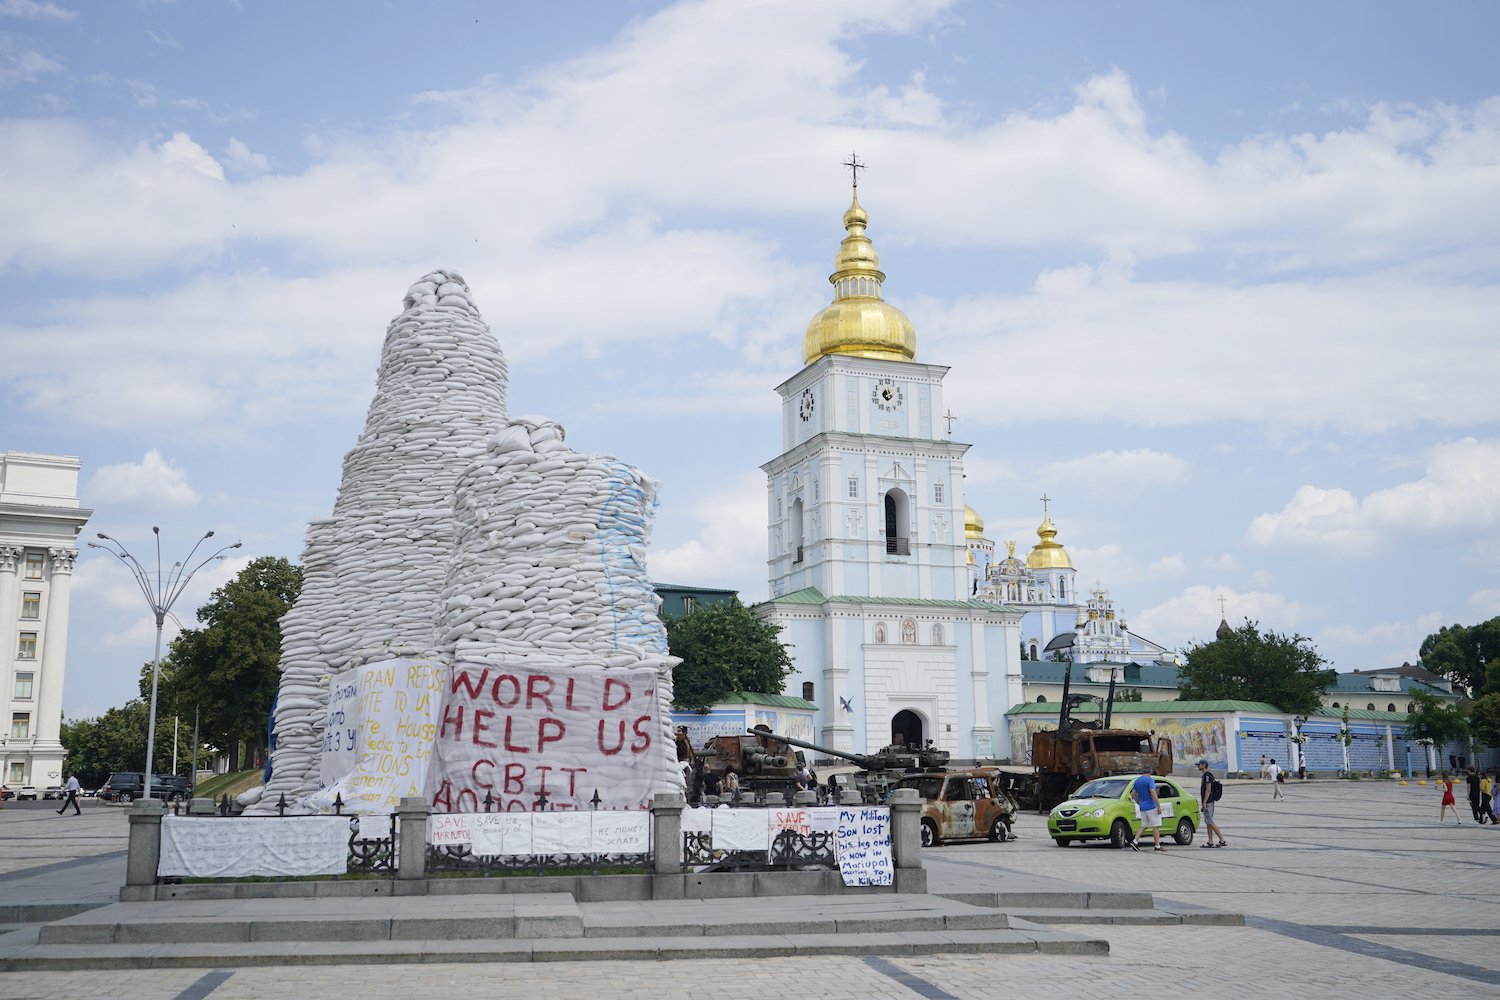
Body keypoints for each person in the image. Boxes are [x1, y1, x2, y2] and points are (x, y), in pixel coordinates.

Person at [1129, 773, 1165, 852]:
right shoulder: (1150, 780)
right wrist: (1158, 806)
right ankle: (1157, 846)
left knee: (1144, 825)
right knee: (1156, 826)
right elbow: (1153, 792)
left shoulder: (1137, 781)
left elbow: (1133, 794)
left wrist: (1139, 802)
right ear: (1150, 773)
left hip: (1142, 807)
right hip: (1151, 806)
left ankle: (1135, 841)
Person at [1196, 759, 1228, 848]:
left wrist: (1204, 802)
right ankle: (1210, 841)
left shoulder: (1207, 776)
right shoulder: (1205, 775)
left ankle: (1222, 839)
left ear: (1204, 765)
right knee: (1208, 822)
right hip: (1208, 801)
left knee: (1210, 821)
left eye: (1199, 764)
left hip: (1208, 801)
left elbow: (1208, 789)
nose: (1198, 766)